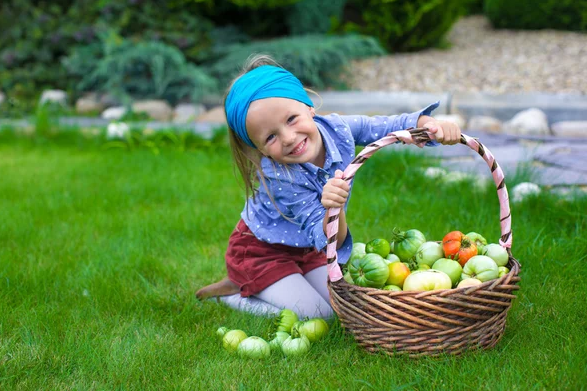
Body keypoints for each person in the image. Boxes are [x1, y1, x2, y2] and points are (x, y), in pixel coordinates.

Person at [196, 54, 461, 320]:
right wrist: (334, 207)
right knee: (318, 315)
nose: (289, 138)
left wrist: (426, 125)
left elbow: (385, 126)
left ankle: (262, 284)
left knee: (345, 305)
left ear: (309, 107)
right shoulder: (278, 175)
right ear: (260, 148)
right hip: (262, 252)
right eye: (271, 136)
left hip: (307, 249)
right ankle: (235, 295)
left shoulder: (338, 128)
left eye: (291, 119)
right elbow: (329, 235)